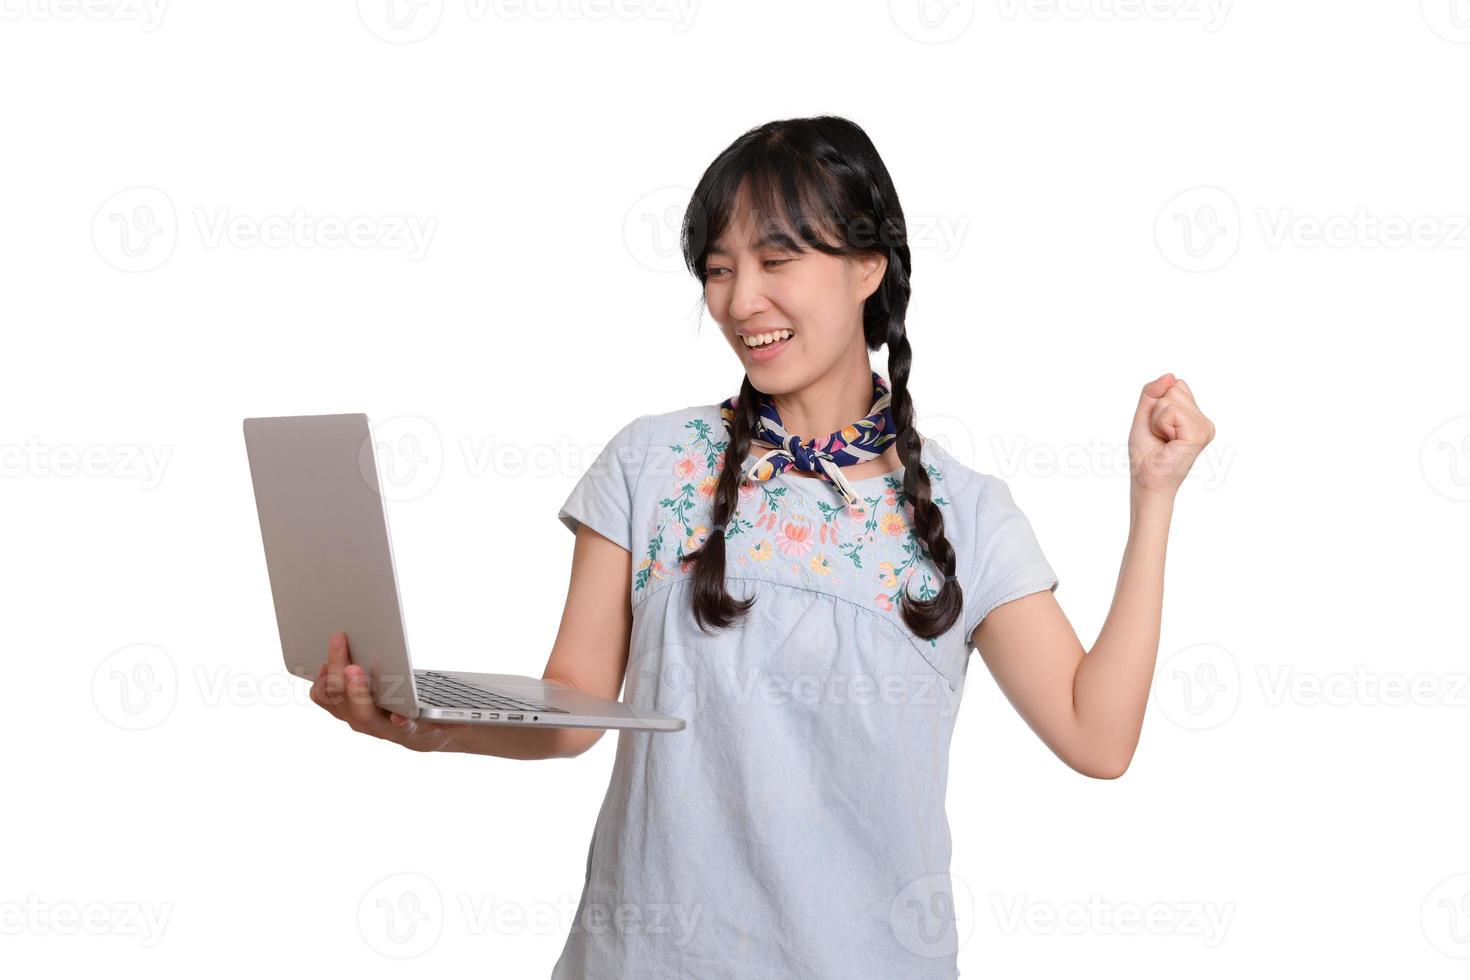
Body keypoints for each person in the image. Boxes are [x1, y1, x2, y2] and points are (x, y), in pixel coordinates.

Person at [308, 115, 1216, 978]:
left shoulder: (968, 515)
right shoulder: (653, 462)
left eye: (777, 259)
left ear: (869, 264)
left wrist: (1153, 496)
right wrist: (426, 721)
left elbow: (1098, 737)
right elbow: (575, 711)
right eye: (717, 269)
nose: (742, 301)